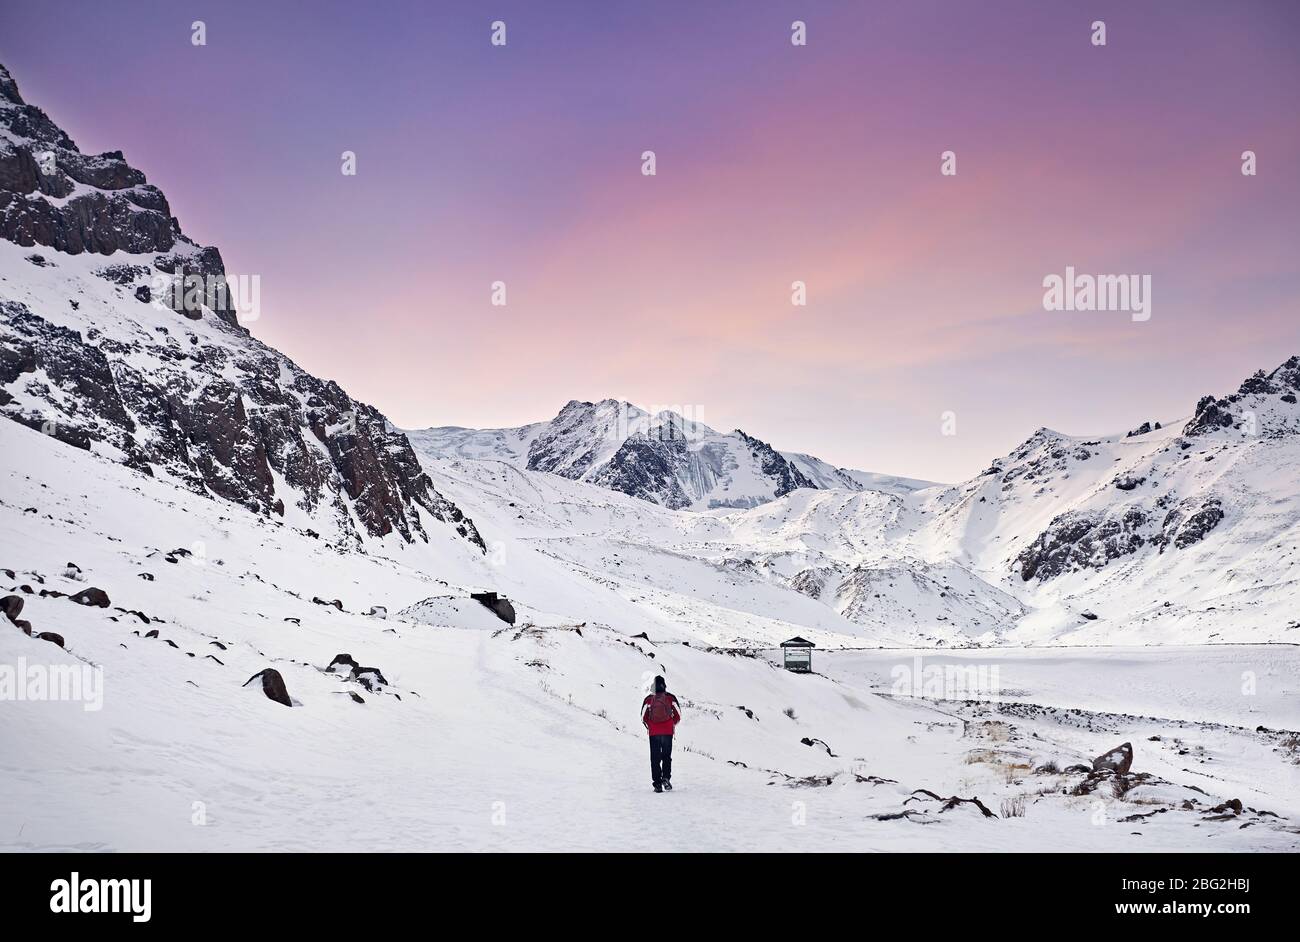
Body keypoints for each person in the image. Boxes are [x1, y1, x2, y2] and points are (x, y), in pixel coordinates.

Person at [641, 675, 682, 792]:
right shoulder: (670, 698)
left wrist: (651, 726)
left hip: (654, 733)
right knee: (666, 757)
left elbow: (643, 717)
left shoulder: (649, 699)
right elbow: (678, 715)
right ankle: (666, 778)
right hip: (667, 732)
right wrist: (671, 724)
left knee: (655, 758)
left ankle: (657, 784)